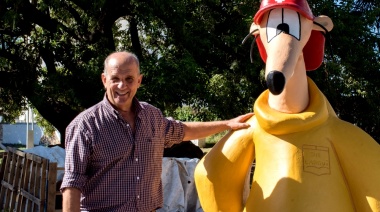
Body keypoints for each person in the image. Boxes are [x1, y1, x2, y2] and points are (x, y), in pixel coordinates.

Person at [60, 51, 253, 212]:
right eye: (115, 79)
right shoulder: (85, 126)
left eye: (129, 79)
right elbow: (71, 184)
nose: (122, 86)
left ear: (139, 81)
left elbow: (183, 131)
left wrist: (227, 124)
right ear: (104, 80)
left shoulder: (151, 116)